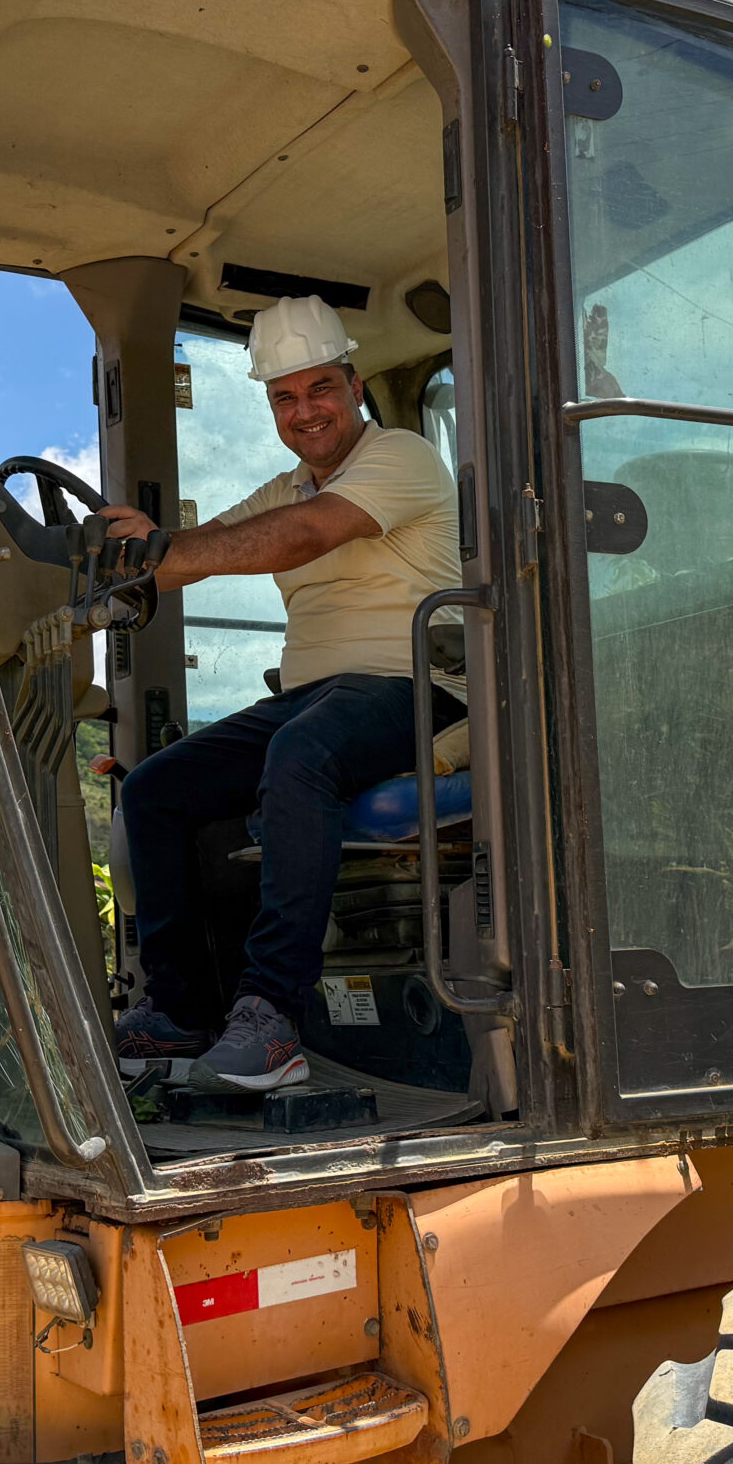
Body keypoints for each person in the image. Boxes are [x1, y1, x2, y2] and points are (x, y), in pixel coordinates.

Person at [100, 296, 461, 1091]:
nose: (305, 412)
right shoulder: (283, 488)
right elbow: (194, 554)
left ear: (354, 384)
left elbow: (306, 536)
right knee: (156, 789)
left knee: (302, 752)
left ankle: (271, 1019)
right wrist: (126, 555)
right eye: (283, 397)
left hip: (415, 687)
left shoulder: (400, 456)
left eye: (320, 389)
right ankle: (179, 1012)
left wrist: (168, 551)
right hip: (312, 697)